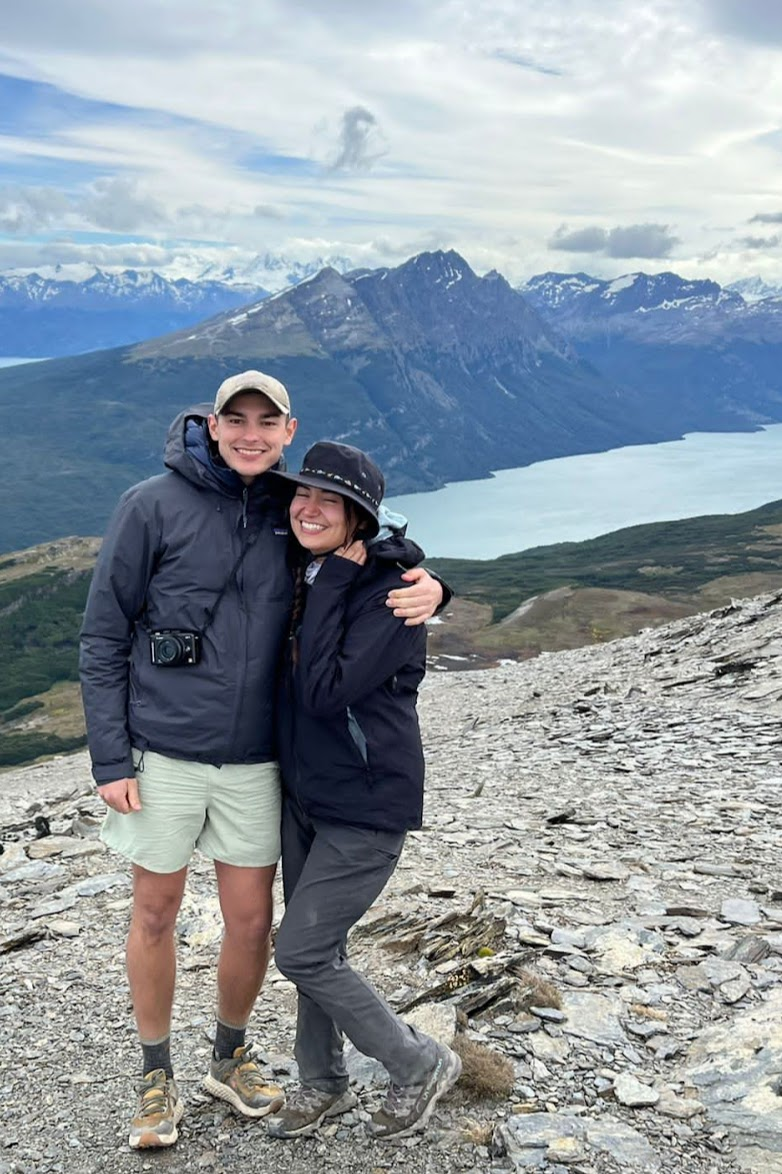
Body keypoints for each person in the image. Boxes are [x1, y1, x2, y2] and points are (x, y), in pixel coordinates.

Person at [79, 372, 445, 1150]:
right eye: (235, 419)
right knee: (155, 913)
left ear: (287, 430)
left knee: (253, 926)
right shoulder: (152, 504)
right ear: (211, 425)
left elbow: (381, 540)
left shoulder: (292, 508)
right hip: (165, 752)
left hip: (257, 764)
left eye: (266, 421)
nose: (250, 433)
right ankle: (155, 1072)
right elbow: (103, 634)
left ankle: (231, 1054)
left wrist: (438, 586)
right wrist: (110, 755)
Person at [265, 441, 462, 1143]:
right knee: (323, 950)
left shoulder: (390, 596)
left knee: (302, 951)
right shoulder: (306, 564)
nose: (310, 509)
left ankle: (418, 1063)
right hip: (306, 795)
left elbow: (322, 693)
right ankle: (322, 1082)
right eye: (302, 495)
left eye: (331, 501)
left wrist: (334, 592)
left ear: (361, 518)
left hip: (367, 802)